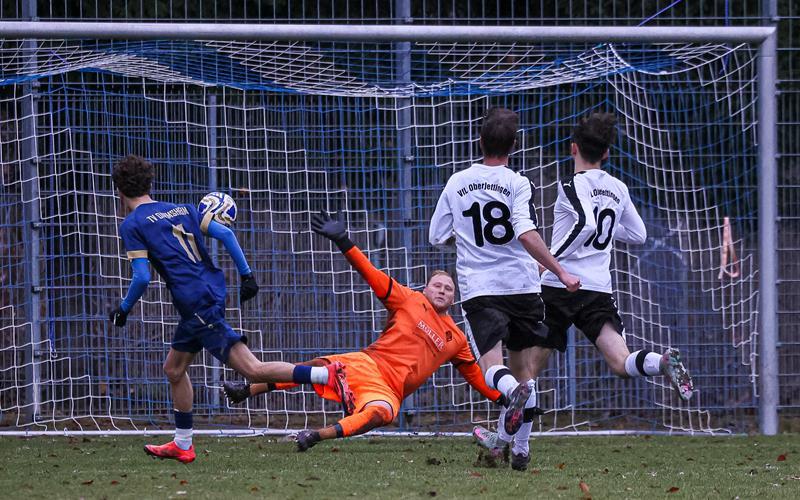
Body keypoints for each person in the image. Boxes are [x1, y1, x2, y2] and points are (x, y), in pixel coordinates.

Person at [472, 112, 695, 464]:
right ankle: (661, 361)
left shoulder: (572, 184)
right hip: (598, 289)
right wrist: (602, 242)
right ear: (606, 154)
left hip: (561, 288)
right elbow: (637, 234)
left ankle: (514, 445)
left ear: (573, 148)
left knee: (524, 372)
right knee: (621, 361)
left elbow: (585, 223)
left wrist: (552, 262)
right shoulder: (618, 188)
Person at [109, 155, 354, 464]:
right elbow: (225, 233)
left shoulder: (132, 224)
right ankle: (183, 443)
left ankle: (327, 374)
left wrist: (124, 308)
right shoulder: (182, 209)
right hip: (208, 293)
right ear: (151, 183)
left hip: (195, 302)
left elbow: (142, 275)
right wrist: (246, 275)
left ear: (118, 190)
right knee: (173, 369)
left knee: (252, 370)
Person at [223, 211, 511, 452]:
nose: (443, 290)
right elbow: (370, 273)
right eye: (438, 285)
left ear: (453, 298)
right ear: (426, 288)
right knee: (314, 367)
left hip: (387, 389)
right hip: (366, 363)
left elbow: (475, 376)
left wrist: (506, 398)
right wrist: (343, 240)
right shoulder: (408, 298)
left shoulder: (456, 338)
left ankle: (315, 435)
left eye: (449, 289)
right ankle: (247, 390)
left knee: (380, 414)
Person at [428, 107, 580, 471]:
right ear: (514, 144)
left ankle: (513, 395)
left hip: (482, 289)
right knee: (524, 367)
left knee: (492, 368)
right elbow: (525, 231)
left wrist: (466, 241)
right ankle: (522, 450)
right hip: (523, 286)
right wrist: (559, 271)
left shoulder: (456, 182)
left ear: (480, 140)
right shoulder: (518, 182)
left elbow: (436, 236)